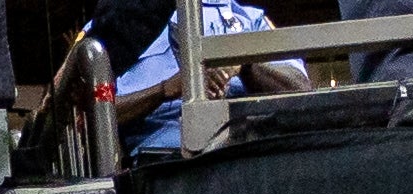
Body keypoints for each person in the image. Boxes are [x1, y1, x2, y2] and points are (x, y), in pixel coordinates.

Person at [90, 3, 309, 156]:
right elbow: (86, 116)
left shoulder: (248, 19)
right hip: (162, 169)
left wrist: (246, 63)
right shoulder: (112, 25)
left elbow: (301, 91)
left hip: (247, 156)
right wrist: (164, 90)